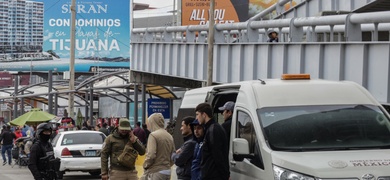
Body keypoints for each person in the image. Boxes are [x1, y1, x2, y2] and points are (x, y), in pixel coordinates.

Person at [195, 103, 229, 180]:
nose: (196, 118)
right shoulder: (211, 128)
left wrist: (225, 175)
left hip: (214, 176)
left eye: (197, 114)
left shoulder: (213, 130)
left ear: (204, 114)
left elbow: (218, 155)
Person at [143, 113, 175, 180]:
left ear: (152, 122)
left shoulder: (153, 135)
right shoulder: (169, 136)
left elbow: (151, 155)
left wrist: (145, 165)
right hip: (167, 171)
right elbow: (173, 155)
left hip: (156, 171)